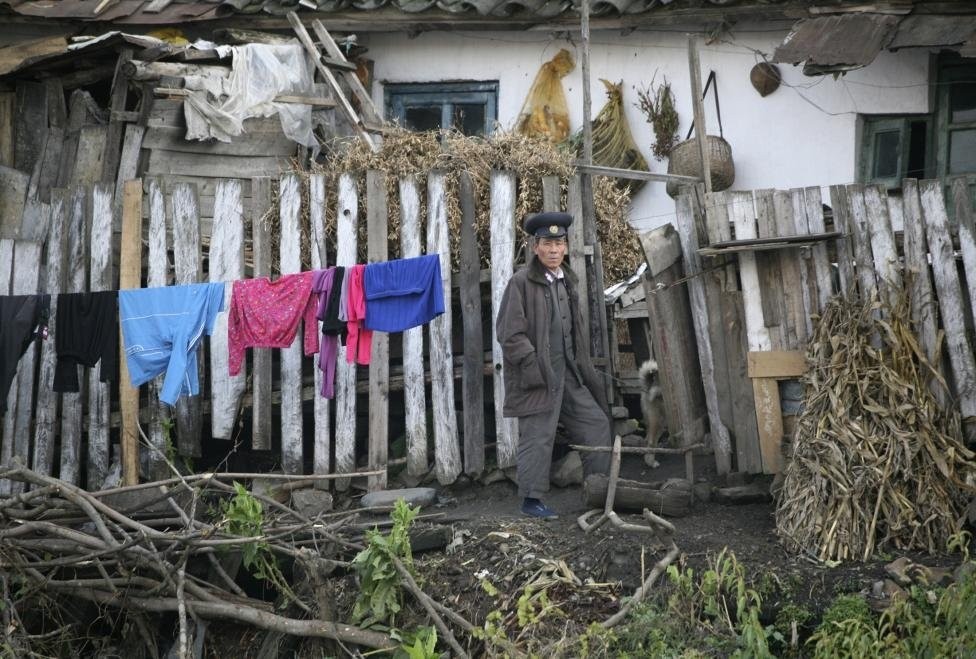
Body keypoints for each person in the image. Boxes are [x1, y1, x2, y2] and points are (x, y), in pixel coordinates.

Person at [496, 211, 612, 519]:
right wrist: (533, 366)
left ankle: (598, 490)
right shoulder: (521, 282)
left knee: (596, 424)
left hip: (569, 374)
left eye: (559, 243)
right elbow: (509, 333)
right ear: (535, 246)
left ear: (565, 246)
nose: (554, 250)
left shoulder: (566, 280)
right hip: (539, 377)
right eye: (547, 243)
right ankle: (531, 502)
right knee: (538, 436)